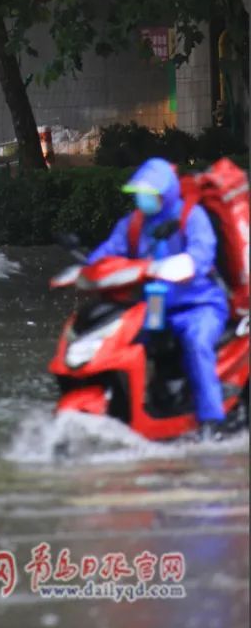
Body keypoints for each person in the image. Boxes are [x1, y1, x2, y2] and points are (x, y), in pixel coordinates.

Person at [87, 157, 230, 441]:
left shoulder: (191, 216)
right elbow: (108, 253)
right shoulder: (134, 223)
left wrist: (184, 265)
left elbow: (203, 254)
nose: (143, 199)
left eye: (149, 193)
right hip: (154, 303)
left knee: (196, 343)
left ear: (164, 194)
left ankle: (212, 421)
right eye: (140, 193)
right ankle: (132, 408)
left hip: (200, 304)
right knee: (119, 341)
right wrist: (88, 269)